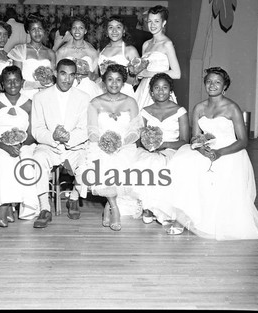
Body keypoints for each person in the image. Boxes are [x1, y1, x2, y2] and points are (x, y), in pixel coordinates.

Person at [164, 67, 258, 240]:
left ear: (225, 86)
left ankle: (207, 221)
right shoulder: (199, 108)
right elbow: (194, 138)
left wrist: (219, 152)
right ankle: (184, 218)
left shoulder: (232, 108)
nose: (212, 85)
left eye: (217, 82)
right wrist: (201, 148)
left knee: (209, 172)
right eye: (209, 82)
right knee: (182, 165)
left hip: (229, 151)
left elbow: (243, 141)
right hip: (205, 149)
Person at [77, 64, 141, 231]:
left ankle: (108, 207)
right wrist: (104, 144)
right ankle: (115, 208)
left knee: (120, 165)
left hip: (124, 145)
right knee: (104, 164)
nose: (114, 84)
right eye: (110, 80)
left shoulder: (130, 102)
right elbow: (92, 130)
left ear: (123, 82)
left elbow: (136, 130)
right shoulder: (95, 102)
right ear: (104, 81)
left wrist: (120, 143)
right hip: (99, 144)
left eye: (118, 80)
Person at [31, 58, 90, 228]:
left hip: (74, 147)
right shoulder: (40, 97)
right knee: (38, 159)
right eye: (63, 74)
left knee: (88, 163)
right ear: (56, 74)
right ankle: (45, 208)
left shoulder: (84, 98)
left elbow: (85, 128)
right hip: (49, 146)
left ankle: (73, 198)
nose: (67, 79)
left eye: (72, 75)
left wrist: (69, 138)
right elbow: (37, 128)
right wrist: (54, 137)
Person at [0, 65, 39, 227]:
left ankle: (21, 206)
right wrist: (6, 147)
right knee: (4, 160)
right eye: (8, 81)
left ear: (22, 82)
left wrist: (20, 144)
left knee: (27, 160)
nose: (13, 84)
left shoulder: (29, 104)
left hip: (24, 143)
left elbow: (32, 133)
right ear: (1, 83)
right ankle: (3, 206)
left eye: (16, 81)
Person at [133, 73, 190, 225]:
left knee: (160, 165)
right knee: (142, 163)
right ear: (151, 92)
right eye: (156, 88)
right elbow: (139, 139)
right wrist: (148, 144)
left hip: (172, 149)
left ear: (170, 91)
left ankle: (160, 210)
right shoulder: (144, 111)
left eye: (165, 88)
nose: (160, 91)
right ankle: (147, 208)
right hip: (149, 150)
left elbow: (185, 141)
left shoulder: (180, 111)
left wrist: (165, 145)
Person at [134, 5, 181, 111]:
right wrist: (139, 74)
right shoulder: (145, 44)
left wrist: (148, 73)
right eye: (150, 21)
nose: (152, 25)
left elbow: (176, 74)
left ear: (163, 23)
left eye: (156, 21)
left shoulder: (167, 44)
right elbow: (144, 69)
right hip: (144, 89)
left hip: (159, 88)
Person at [7, 14, 56, 99]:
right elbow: (16, 79)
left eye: (40, 29)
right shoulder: (19, 50)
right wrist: (38, 85)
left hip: (46, 96)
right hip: (26, 96)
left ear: (44, 30)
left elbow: (54, 78)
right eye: (33, 29)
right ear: (28, 31)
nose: (37, 33)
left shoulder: (50, 53)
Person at [55, 16, 102, 100]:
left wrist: (90, 75)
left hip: (87, 89)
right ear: (70, 30)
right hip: (68, 88)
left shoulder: (92, 52)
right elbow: (56, 74)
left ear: (85, 31)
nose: (77, 31)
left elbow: (96, 76)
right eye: (74, 28)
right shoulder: (62, 51)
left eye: (81, 28)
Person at [97, 15, 140, 98]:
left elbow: (135, 81)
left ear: (123, 31)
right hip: (103, 92)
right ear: (106, 31)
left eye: (118, 27)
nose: (114, 31)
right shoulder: (101, 50)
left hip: (124, 94)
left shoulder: (130, 50)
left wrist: (116, 71)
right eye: (110, 27)